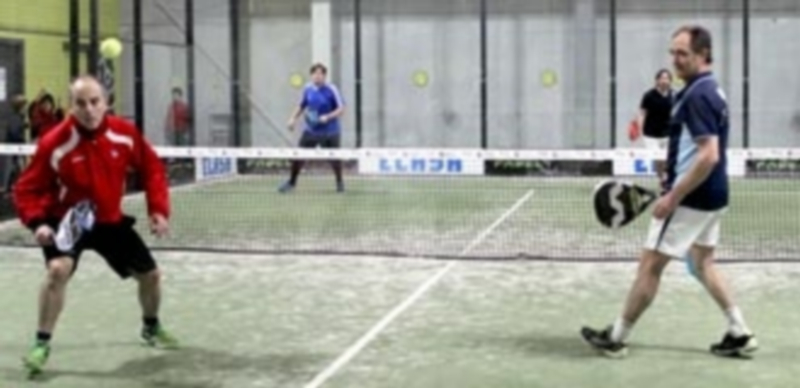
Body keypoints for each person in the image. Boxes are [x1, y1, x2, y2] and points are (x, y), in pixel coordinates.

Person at [581, 25, 757, 359]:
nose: (675, 60)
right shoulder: (711, 90)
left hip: (689, 199)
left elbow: (709, 155)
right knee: (702, 263)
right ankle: (740, 332)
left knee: (649, 266)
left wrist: (672, 197)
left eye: (683, 53)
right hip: (714, 196)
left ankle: (616, 338)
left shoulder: (698, 95)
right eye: (672, 52)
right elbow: (697, 150)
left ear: (703, 54)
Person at [14, 76, 179, 376]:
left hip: (108, 219)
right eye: (80, 103)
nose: (88, 110)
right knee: (57, 271)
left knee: (151, 276)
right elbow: (26, 188)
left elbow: (153, 168)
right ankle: (41, 345)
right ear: (70, 106)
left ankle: (151, 327)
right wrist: (37, 222)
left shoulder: (125, 134)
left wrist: (158, 210)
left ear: (107, 103)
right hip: (69, 219)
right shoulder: (54, 142)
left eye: (94, 102)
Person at [279, 63, 346, 193]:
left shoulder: (332, 89)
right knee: (298, 156)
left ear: (325, 76)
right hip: (311, 131)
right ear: (311, 75)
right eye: (315, 73)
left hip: (330, 132)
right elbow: (302, 105)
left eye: (320, 74)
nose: (317, 76)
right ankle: (291, 183)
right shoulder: (308, 88)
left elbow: (341, 109)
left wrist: (327, 117)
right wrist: (293, 119)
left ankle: (339, 183)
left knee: (335, 159)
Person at [637, 69, 673, 184]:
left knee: (668, 159)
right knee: (658, 160)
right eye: (662, 78)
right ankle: (662, 179)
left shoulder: (674, 95)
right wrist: (640, 129)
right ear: (657, 80)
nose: (664, 81)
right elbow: (642, 113)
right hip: (651, 135)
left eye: (667, 78)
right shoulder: (648, 96)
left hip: (668, 134)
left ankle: (666, 179)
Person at [4, 94, 28, 192]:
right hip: (14, 146)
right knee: (12, 167)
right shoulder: (16, 118)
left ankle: (10, 187)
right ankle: (8, 187)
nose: (26, 108)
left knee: (15, 167)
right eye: (24, 106)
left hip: (15, 145)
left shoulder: (18, 117)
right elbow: (14, 133)